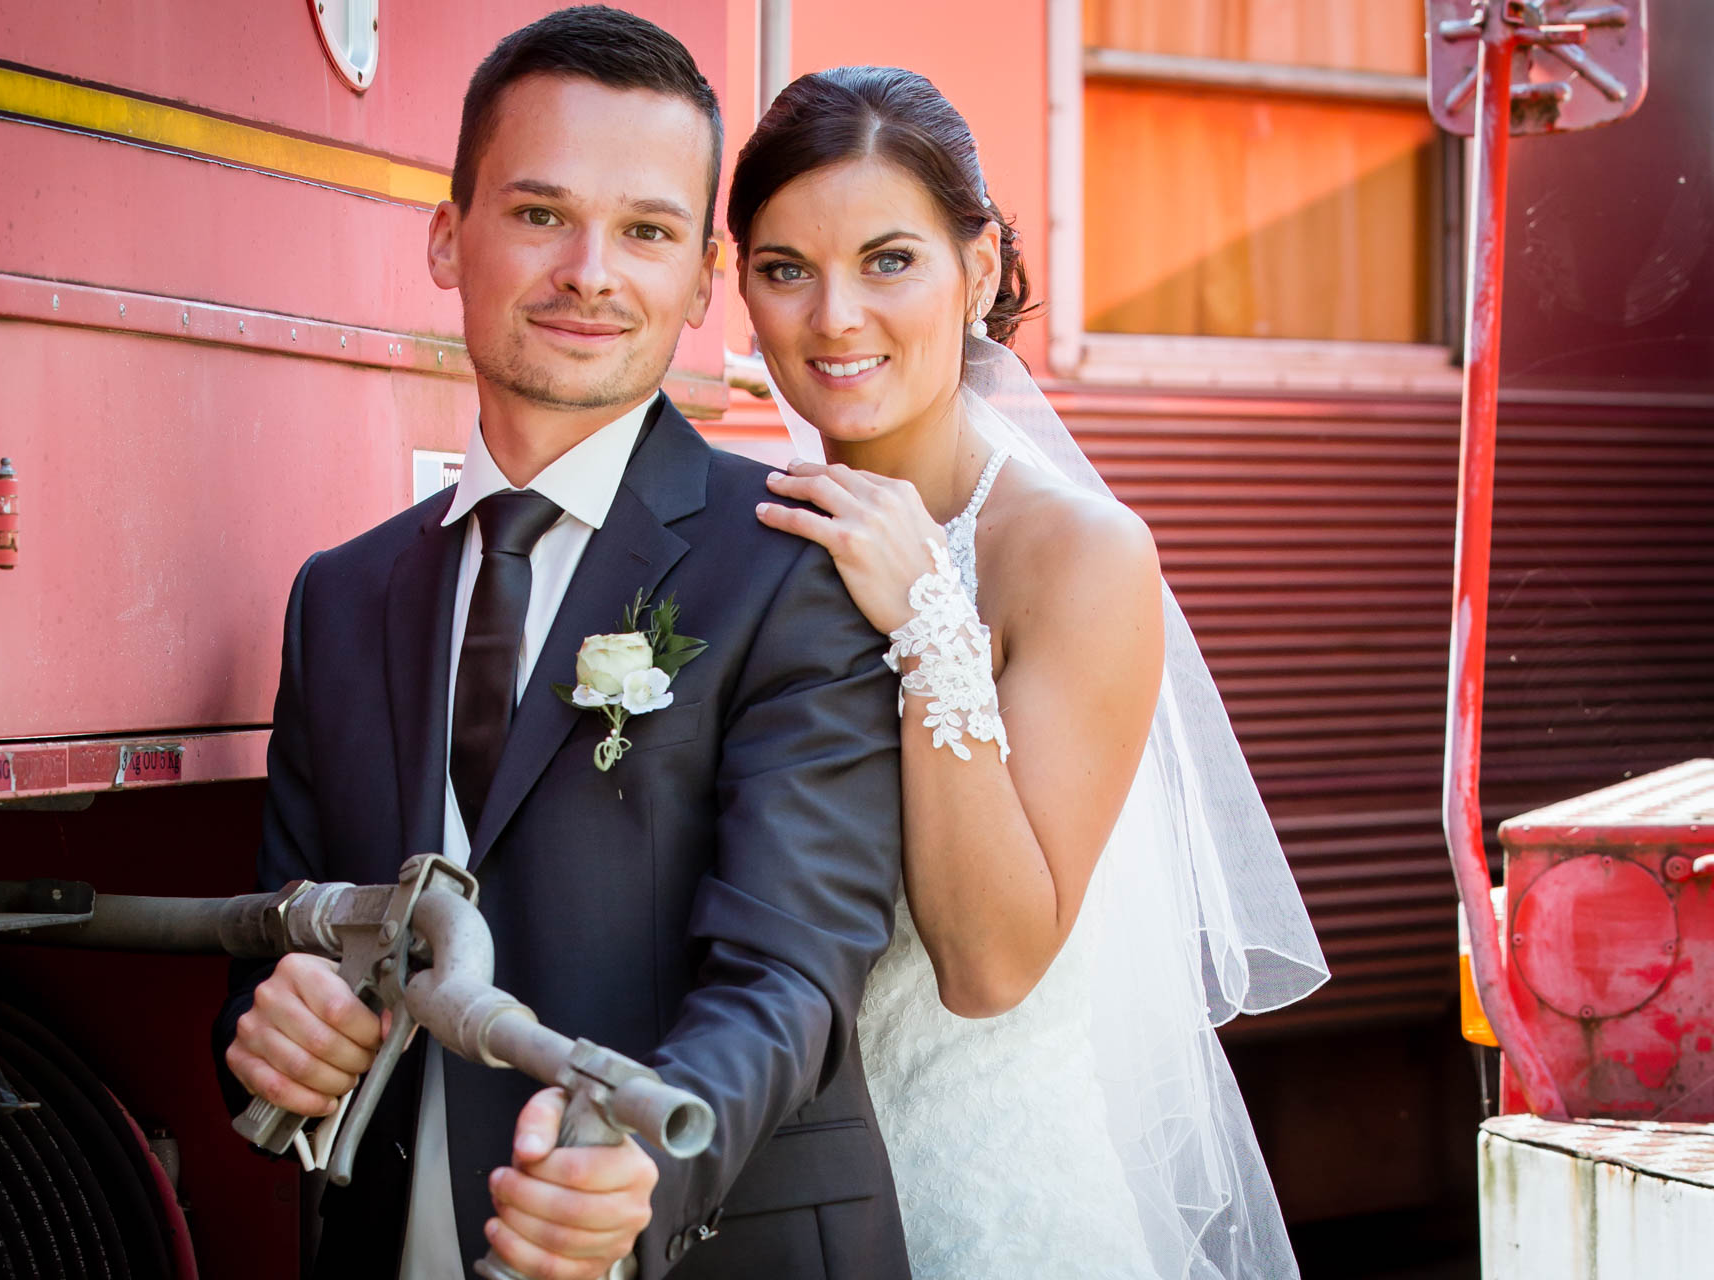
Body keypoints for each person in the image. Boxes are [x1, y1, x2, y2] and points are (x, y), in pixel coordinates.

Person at [213, 14, 911, 1280]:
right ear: (447, 235)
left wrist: (647, 1156)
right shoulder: (339, 596)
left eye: (645, 231)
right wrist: (273, 1032)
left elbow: (793, 972)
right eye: (541, 214)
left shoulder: (793, 574)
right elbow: (292, 936)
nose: (592, 270)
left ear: (701, 280)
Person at [729, 67, 1330, 1278]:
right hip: (771, 1210)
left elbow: (992, 962)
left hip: (987, 1209)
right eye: (785, 268)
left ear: (985, 268)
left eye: (889, 259)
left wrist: (928, 620)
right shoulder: (752, 527)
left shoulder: (1078, 554)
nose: (835, 315)